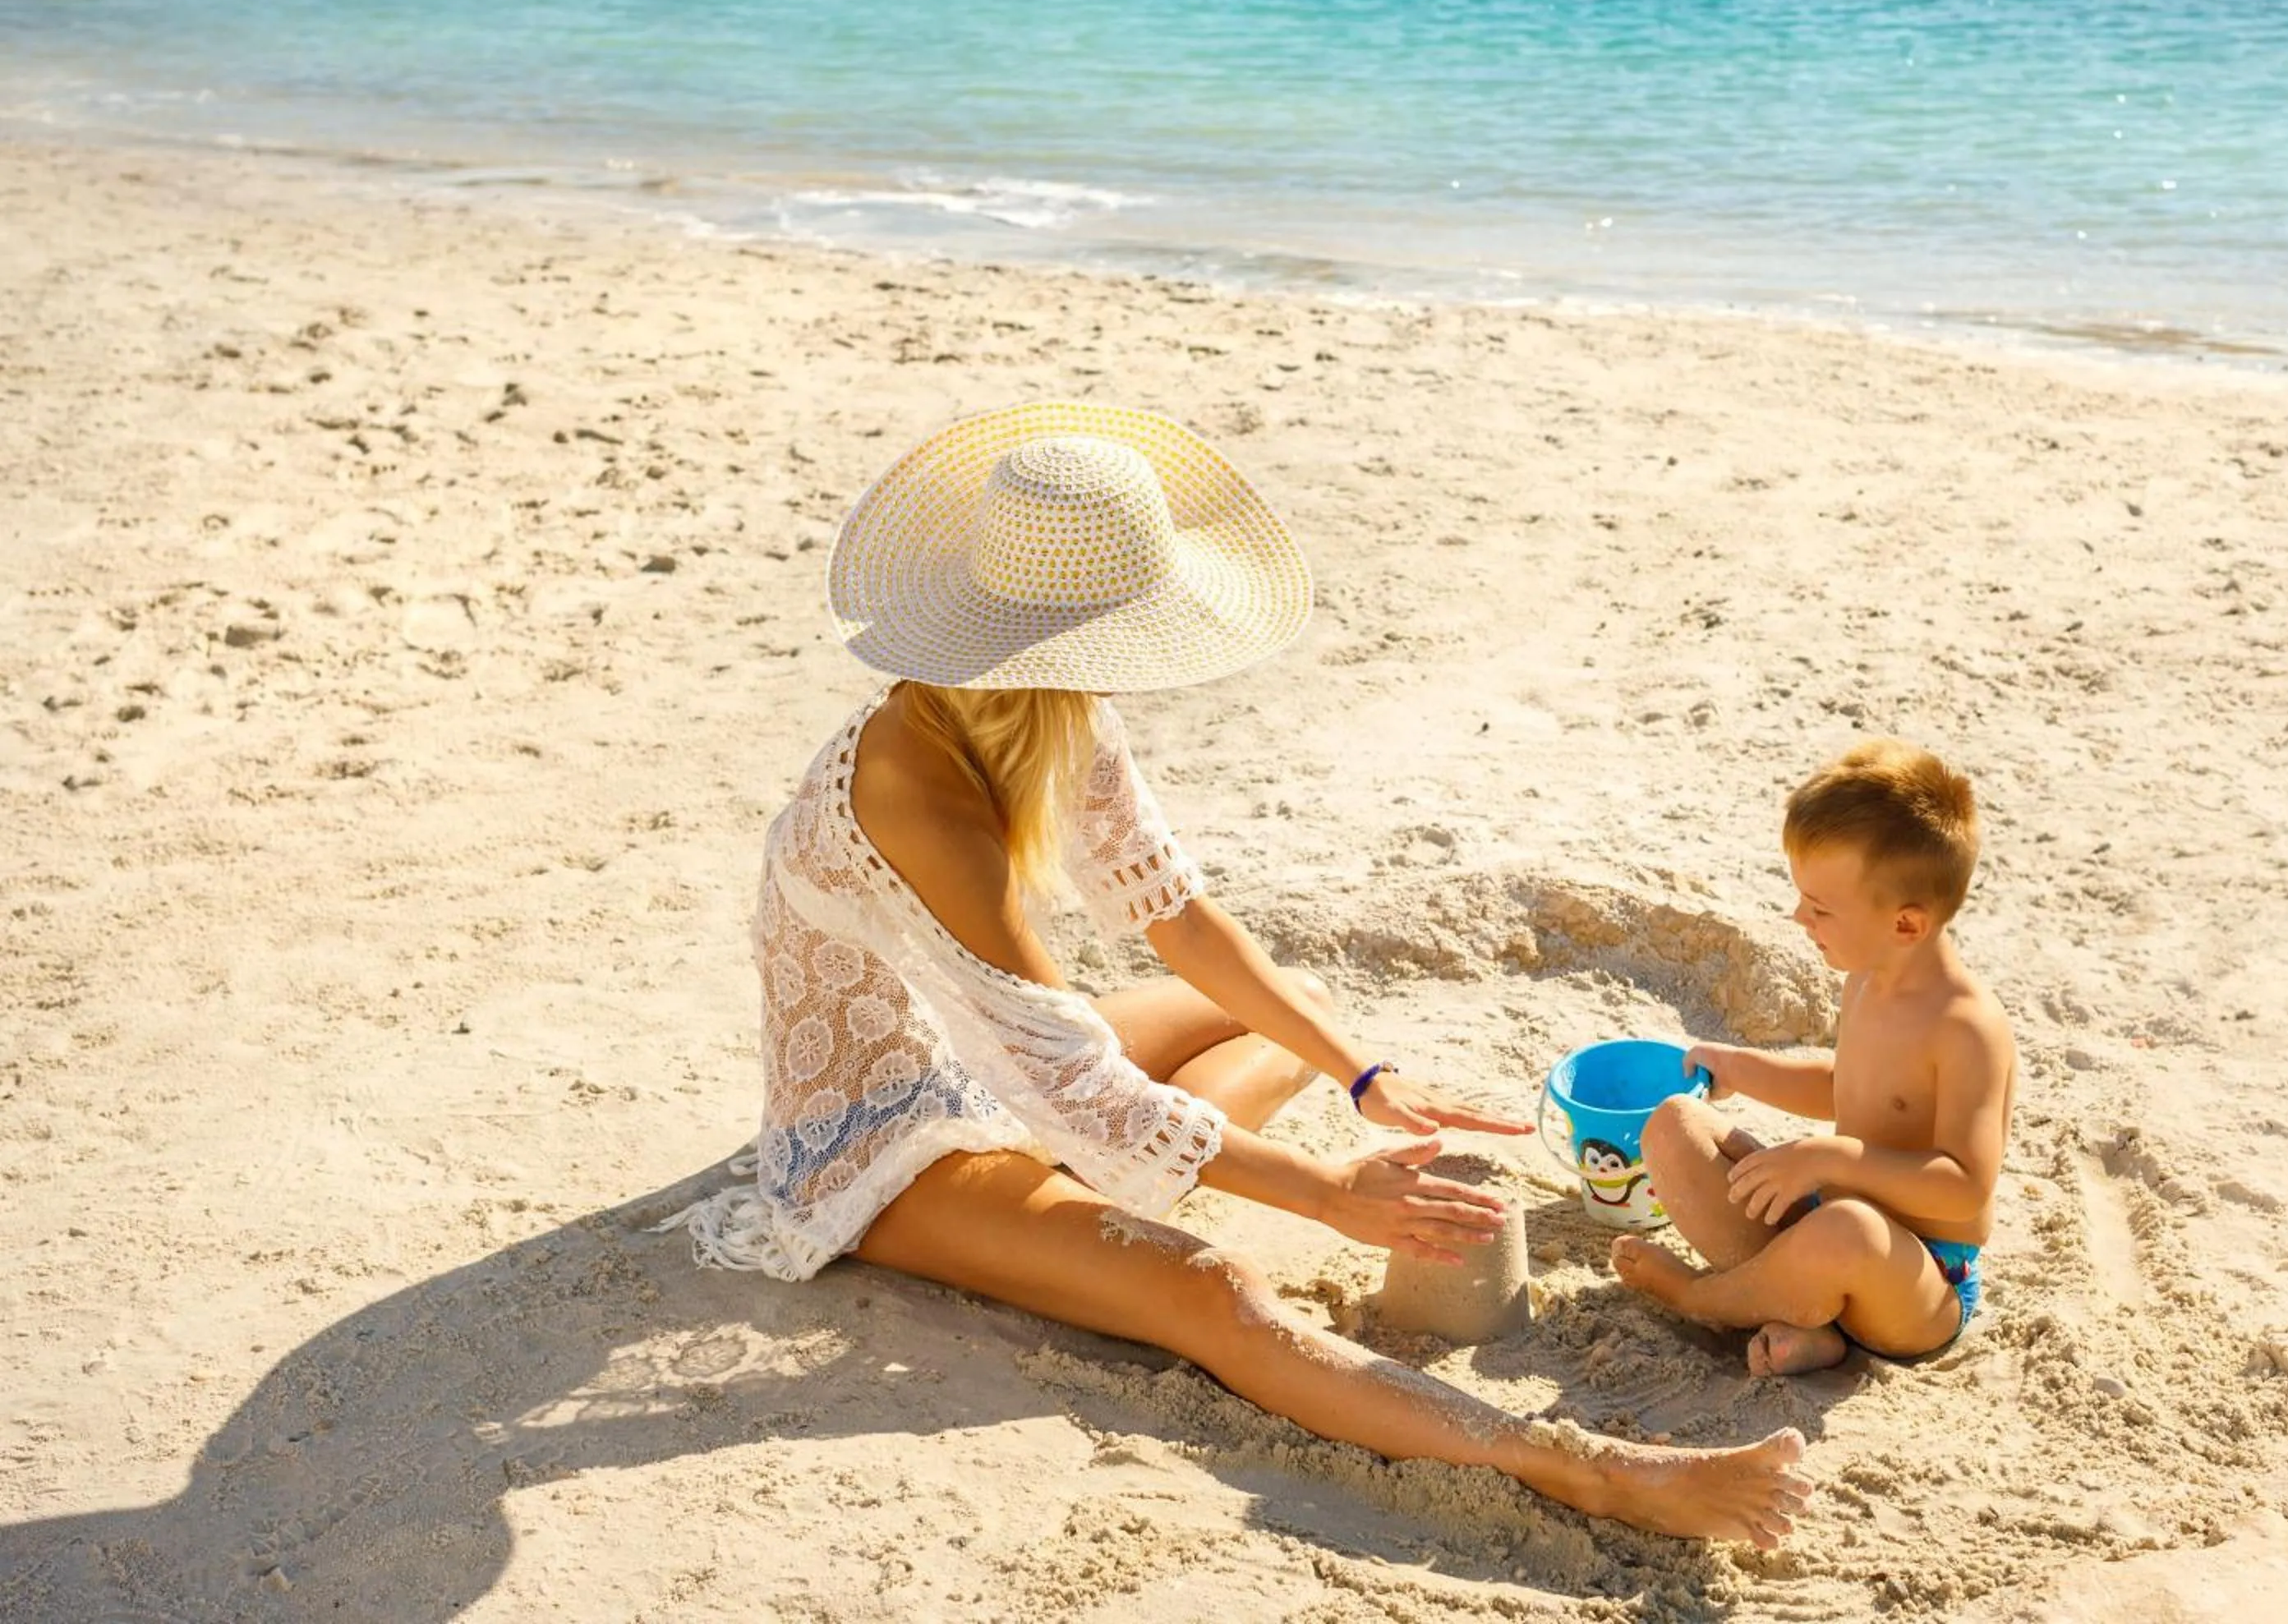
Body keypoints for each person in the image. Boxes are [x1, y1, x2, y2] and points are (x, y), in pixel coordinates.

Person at [666, 401, 1809, 1546]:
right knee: (1212, 1293)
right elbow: (1073, 1084)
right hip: (881, 1142)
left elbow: (1183, 920)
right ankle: (1601, 1473)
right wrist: (1324, 1193)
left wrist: (1364, 1076)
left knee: (1283, 1016)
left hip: (984, 1061)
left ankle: (1080, 1203)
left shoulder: (1041, 708)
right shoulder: (920, 790)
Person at [1612, 739, 2016, 1377]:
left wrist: (1828, 1156)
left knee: (1846, 1232)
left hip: (1916, 1279)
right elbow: (1849, 1088)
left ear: (1906, 924)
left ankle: (1702, 1298)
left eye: (1821, 907)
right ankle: (1811, 1324)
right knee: (1673, 1126)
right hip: (1831, 1222)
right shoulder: (1865, 976)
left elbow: (1965, 1182)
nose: (1800, 916)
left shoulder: (1966, 1028)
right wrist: (1744, 1070)